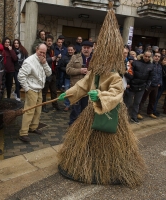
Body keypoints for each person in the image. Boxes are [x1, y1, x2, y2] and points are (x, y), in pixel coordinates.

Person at [57, 6, 146, 187]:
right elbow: (82, 85)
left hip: (109, 114)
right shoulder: (94, 73)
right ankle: (85, 163)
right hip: (92, 112)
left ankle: (110, 167)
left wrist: (98, 94)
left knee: (109, 144)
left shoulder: (115, 75)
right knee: (86, 140)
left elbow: (115, 93)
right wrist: (68, 93)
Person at [18, 44, 51, 142]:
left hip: (39, 89)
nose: (42, 54)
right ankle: (23, 133)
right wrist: (27, 89)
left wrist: (44, 63)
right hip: (31, 89)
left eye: (44, 53)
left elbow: (49, 73)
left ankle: (33, 127)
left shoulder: (43, 60)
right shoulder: (29, 61)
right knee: (29, 111)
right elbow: (21, 76)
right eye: (40, 52)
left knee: (38, 110)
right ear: (36, 50)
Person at [66, 41, 93, 125]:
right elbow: (68, 70)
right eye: (84, 47)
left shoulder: (95, 59)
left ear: (91, 49)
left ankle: (82, 126)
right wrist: (79, 70)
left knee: (85, 109)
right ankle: (72, 125)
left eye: (88, 48)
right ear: (81, 48)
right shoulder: (75, 57)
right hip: (76, 88)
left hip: (88, 89)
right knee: (75, 109)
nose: (86, 49)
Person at [124, 51, 154, 124]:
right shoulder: (135, 63)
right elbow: (130, 74)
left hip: (141, 87)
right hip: (132, 86)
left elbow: (150, 78)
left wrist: (146, 86)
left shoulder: (151, 66)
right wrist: (128, 83)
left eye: (148, 57)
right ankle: (123, 118)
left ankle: (134, 117)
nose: (147, 58)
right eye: (145, 56)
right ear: (143, 55)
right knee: (127, 103)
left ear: (150, 57)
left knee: (137, 103)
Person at [138, 52, 162, 119]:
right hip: (149, 85)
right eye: (156, 56)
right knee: (143, 99)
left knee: (153, 100)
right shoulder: (150, 64)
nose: (157, 57)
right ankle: (138, 112)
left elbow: (160, 75)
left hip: (156, 85)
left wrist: (160, 83)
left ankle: (150, 112)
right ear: (153, 56)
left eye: (158, 56)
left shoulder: (159, 66)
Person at [42, 34, 60, 113]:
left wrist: (56, 59)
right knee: (44, 92)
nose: (49, 42)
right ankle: (43, 106)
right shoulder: (43, 49)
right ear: (45, 41)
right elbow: (42, 60)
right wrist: (51, 59)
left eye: (51, 41)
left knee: (54, 91)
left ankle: (55, 105)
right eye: (48, 41)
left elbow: (53, 60)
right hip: (46, 73)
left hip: (53, 73)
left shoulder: (53, 49)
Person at [59, 44, 76, 111]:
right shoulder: (64, 58)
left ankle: (74, 105)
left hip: (75, 78)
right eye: (69, 50)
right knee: (67, 91)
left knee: (75, 91)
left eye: (71, 50)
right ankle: (67, 105)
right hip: (67, 77)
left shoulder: (77, 57)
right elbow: (60, 67)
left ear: (74, 50)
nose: (70, 51)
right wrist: (67, 70)